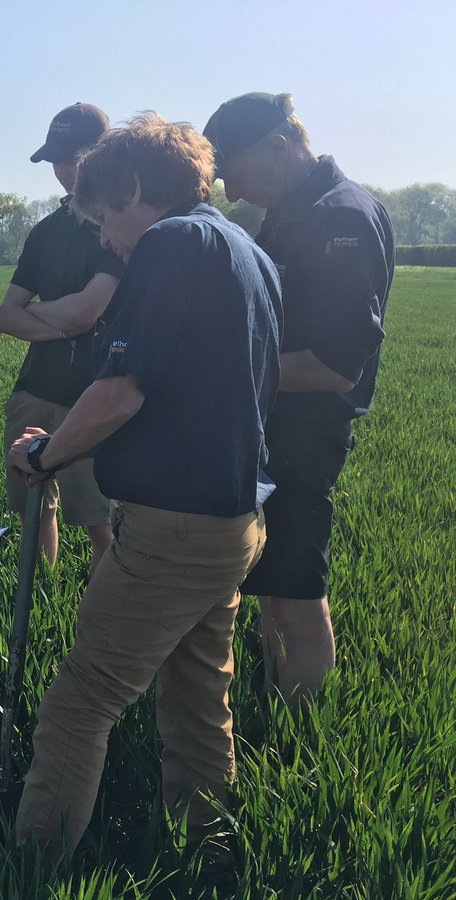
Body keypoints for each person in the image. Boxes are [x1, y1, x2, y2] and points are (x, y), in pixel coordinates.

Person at [8, 115, 282, 857]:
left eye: (101, 217)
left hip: (173, 529)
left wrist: (46, 455)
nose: (102, 238)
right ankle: (209, 852)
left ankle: (29, 863)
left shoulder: (171, 244)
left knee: (80, 699)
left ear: (132, 188)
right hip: (232, 522)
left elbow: (120, 390)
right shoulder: (246, 249)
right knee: (198, 696)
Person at [203, 93, 394, 705]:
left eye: (230, 168)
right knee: (271, 580)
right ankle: (274, 698)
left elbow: (338, 367)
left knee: (294, 592)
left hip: (304, 433)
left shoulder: (339, 217)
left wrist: (232, 372)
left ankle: (297, 735)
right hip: (272, 426)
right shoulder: (290, 212)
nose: (228, 189)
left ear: (279, 147)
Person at [0, 102, 124, 568]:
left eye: (73, 159)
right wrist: (67, 322)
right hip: (35, 388)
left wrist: (48, 316)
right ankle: (41, 593)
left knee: (99, 520)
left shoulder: (121, 226)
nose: (65, 171)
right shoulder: (46, 231)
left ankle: (103, 616)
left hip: (94, 392)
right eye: (57, 162)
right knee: (34, 505)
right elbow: (5, 317)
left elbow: (90, 312)